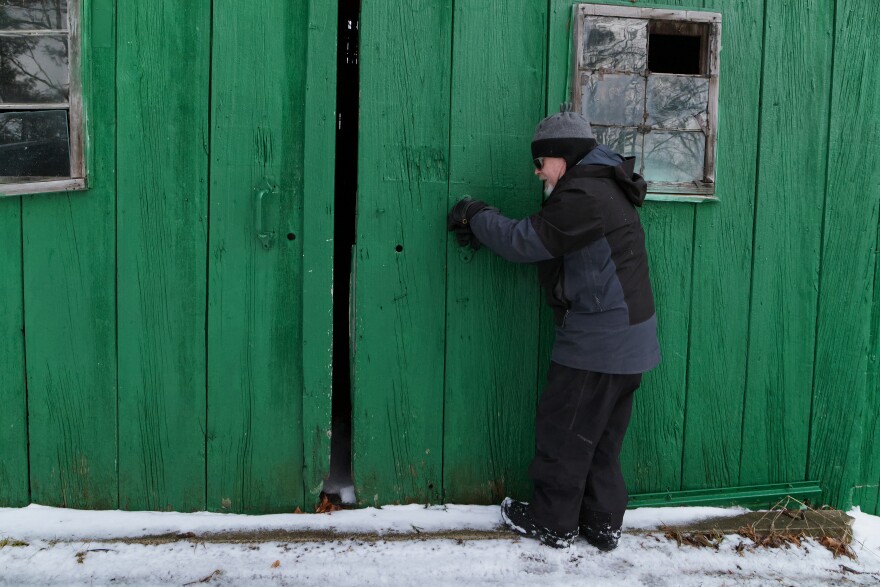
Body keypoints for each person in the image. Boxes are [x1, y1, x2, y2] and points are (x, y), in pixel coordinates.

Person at [446, 105, 660, 550]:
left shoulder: (586, 195)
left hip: (599, 342)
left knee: (565, 432)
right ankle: (601, 524)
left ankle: (552, 522)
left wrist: (475, 214)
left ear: (561, 156)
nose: (538, 173)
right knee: (601, 438)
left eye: (541, 162)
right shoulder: (604, 185)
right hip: (630, 341)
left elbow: (525, 242)